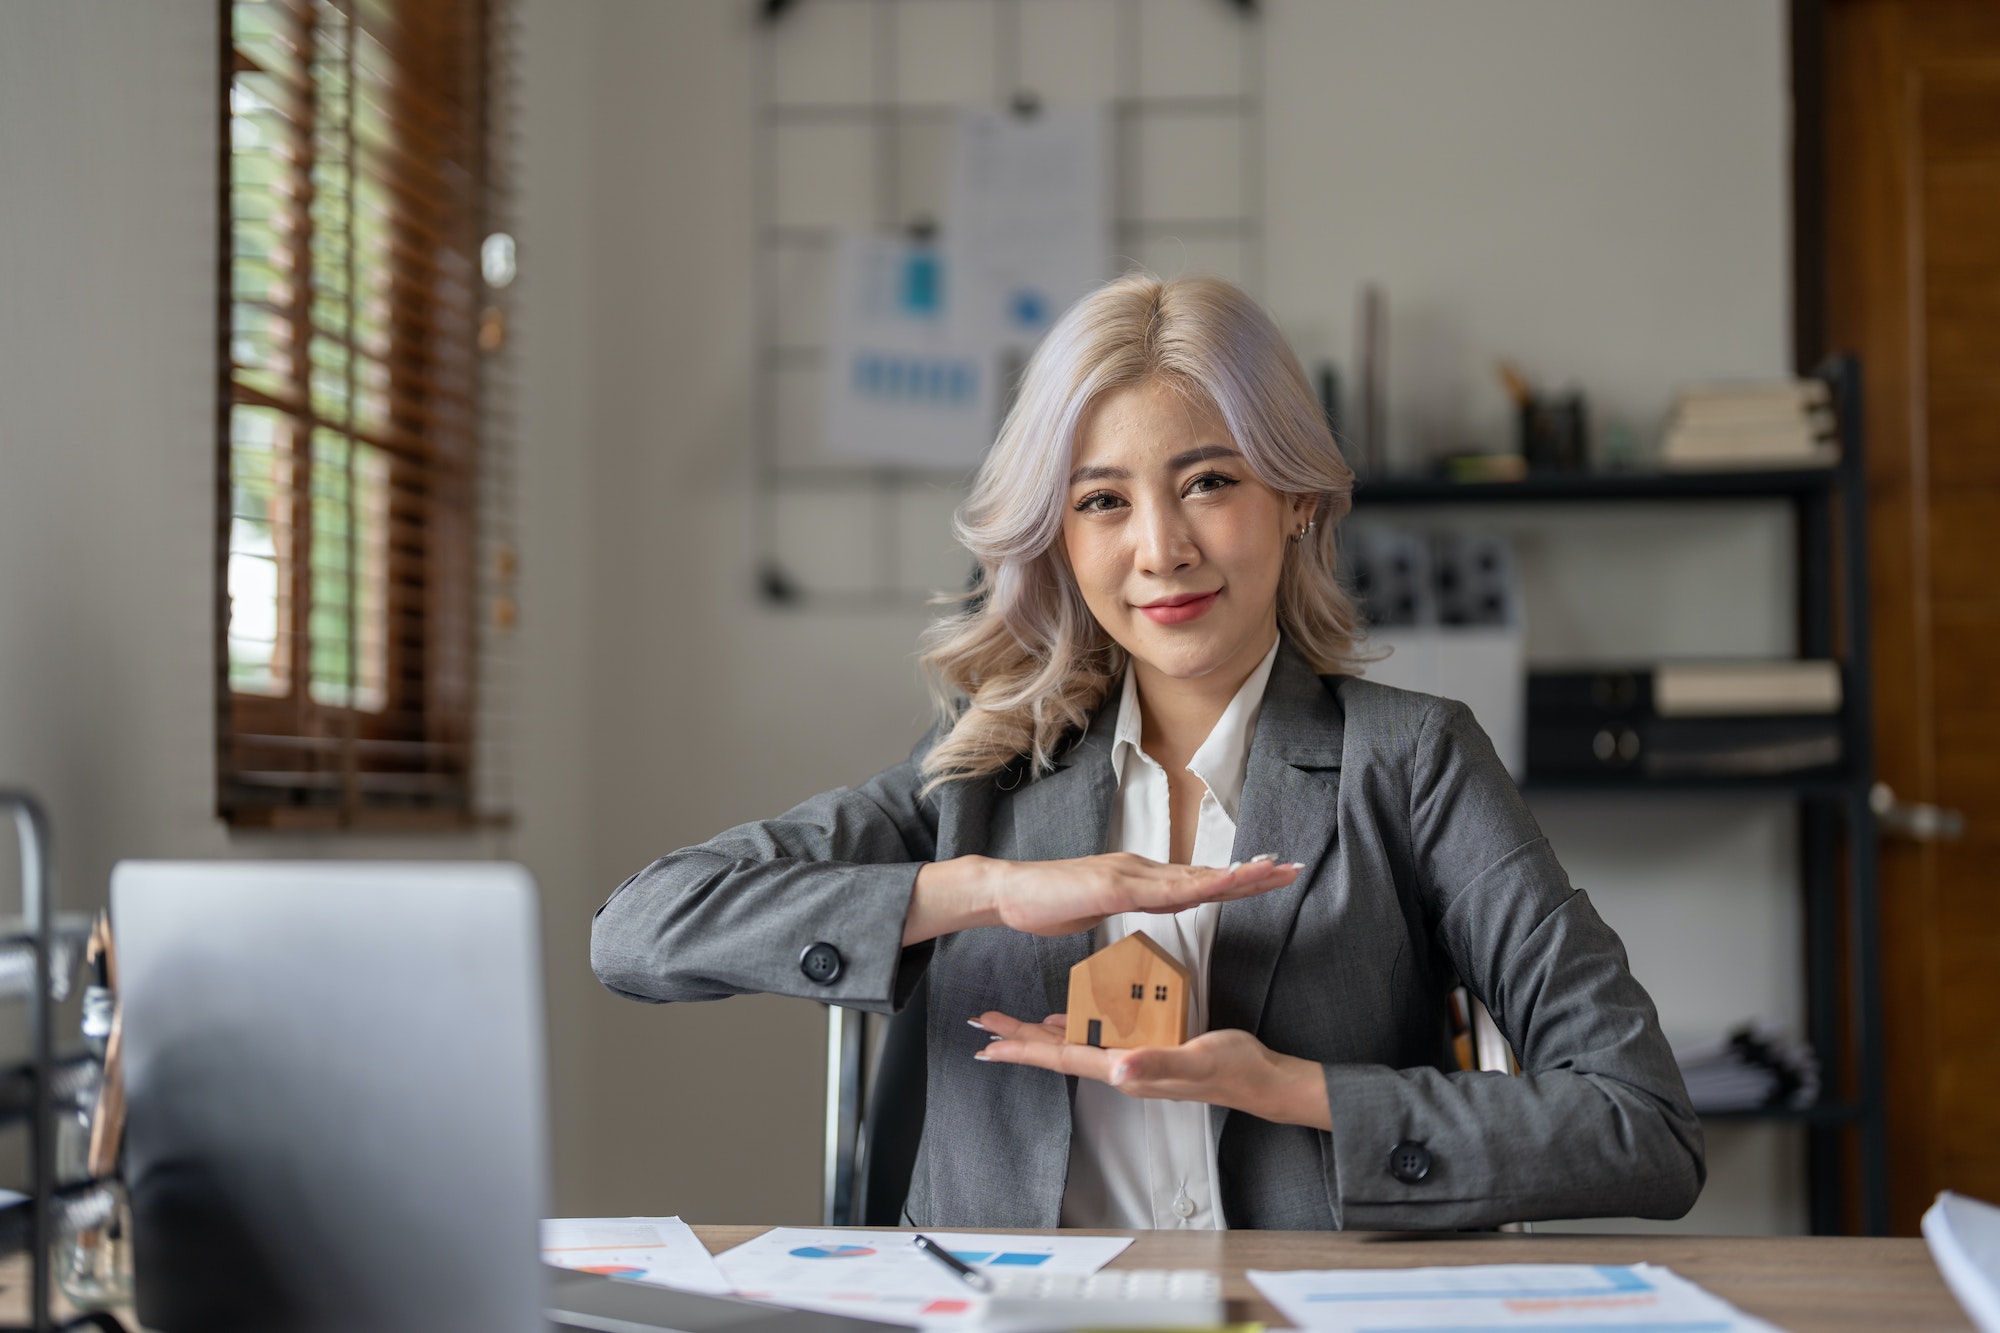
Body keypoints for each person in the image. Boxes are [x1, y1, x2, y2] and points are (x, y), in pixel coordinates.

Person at [592, 273, 1703, 1231]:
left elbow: (1641, 1123)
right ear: (1059, 540)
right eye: (1102, 501)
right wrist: (980, 891)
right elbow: (637, 930)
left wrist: (1296, 1089)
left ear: (1297, 500)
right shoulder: (987, 774)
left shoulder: (1411, 763)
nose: (1160, 548)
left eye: (1209, 481)